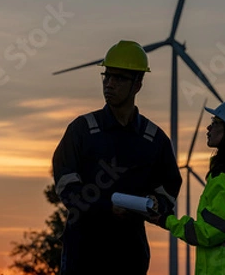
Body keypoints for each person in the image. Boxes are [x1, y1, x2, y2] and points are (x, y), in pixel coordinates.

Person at [52, 40, 182, 275]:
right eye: (106, 76)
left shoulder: (154, 139)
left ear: (138, 85)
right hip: (84, 255)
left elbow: (170, 186)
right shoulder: (81, 130)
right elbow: (66, 186)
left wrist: (154, 203)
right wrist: (106, 208)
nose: (109, 84)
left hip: (129, 256)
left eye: (119, 78)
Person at [148, 97, 225, 275]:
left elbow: (208, 232)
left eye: (215, 122)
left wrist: (166, 220)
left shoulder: (224, 177)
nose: (208, 127)